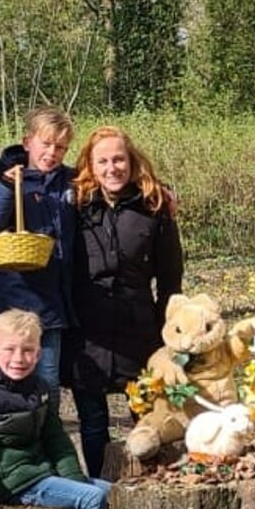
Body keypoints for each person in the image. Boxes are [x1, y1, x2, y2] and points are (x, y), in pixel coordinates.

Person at [65, 126, 184, 473]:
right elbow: (34, 176)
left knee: (147, 419)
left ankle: (145, 484)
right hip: (88, 334)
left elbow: (170, 278)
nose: (111, 167)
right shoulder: (76, 206)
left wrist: (170, 336)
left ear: (132, 163)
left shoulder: (155, 207)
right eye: (102, 160)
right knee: (92, 422)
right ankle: (103, 490)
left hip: (139, 332)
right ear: (90, 165)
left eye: (119, 159)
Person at [0, 309, 112, 509]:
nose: (18, 359)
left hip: (40, 474)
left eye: (27, 351)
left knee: (114, 492)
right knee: (93, 499)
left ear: (38, 354)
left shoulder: (38, 388)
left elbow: (56, 439)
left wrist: (74, 478)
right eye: (9, 349)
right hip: (11, 486)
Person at [0, 107, 77, 396]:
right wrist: (6, 188)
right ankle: (13, 437)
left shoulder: (71, 181)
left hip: (53, 305)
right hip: (14, 302)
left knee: (48, 381)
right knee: (11, 379)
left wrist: (161, 190)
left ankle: (47, 438)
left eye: (61, 147)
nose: (53, 153)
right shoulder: (7, 180)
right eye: (46, 144)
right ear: (27, 141)